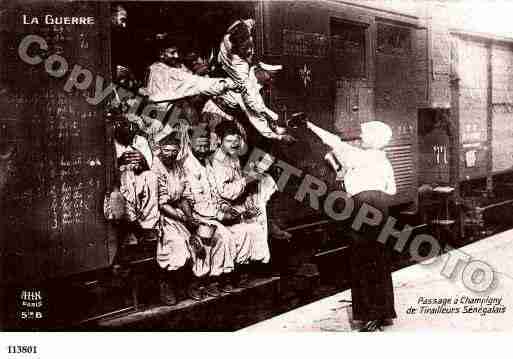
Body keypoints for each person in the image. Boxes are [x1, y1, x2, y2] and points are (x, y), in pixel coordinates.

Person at [300, 115, 397, 332]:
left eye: (364, 135)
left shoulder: (356, 157)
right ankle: (384, 313)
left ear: (372, 139)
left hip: (363, 207)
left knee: (361, 260)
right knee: (380, 259)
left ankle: (369, 315)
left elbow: (331, 140)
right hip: (381, 207)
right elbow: (392, 190)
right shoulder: (383, 159)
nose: (360, 137)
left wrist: (309, 124)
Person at [182, 123, 253, 293]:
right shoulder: (186, 165)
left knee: (242, 229)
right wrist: (216, 215)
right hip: (195, 214)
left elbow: (215, 193)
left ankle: (221, 276)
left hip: (212, 212)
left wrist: (225, 208)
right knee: (222, 236)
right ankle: (201, 281)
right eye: (199, 145)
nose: (203, 148)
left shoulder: (207, 162)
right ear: (190, 143)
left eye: (206, 145)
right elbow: (190, 199)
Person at [211, 121, 277, 275]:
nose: (233, 144)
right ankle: (242, 268)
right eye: (229, 141)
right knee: (255, 218)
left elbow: (239, 183)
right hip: (222, 206)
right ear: (219, 140)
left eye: (236, 141)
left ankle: (251, 264)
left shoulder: (233, 157)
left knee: (259, 210)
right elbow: (226, 193)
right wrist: (249, 178)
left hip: (235, 202)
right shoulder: (217, 161)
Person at [144, 43, 240, 129]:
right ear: (161, 54)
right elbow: (194, 83)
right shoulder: (159, 71)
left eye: (177, 52)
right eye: (172, 53)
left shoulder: (176, 66)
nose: (176, 56)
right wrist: (228, 83)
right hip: (165, 120)